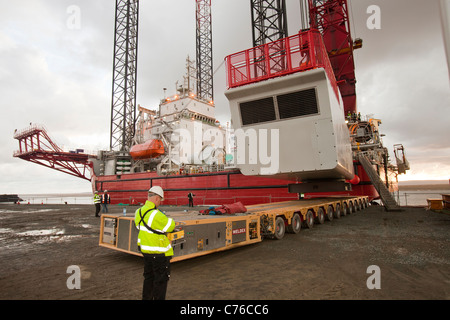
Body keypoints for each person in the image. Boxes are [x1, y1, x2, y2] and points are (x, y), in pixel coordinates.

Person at [134, 186, 175, 300]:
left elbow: (139, 226)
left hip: (146, 252)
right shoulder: (156, 214)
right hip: (159, 254)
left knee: (148, 279)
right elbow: (170, 226)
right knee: (160, 282)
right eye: (160, 200)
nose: (160, 203)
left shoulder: (138, 212)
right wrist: (169, 220)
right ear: (157, 198)